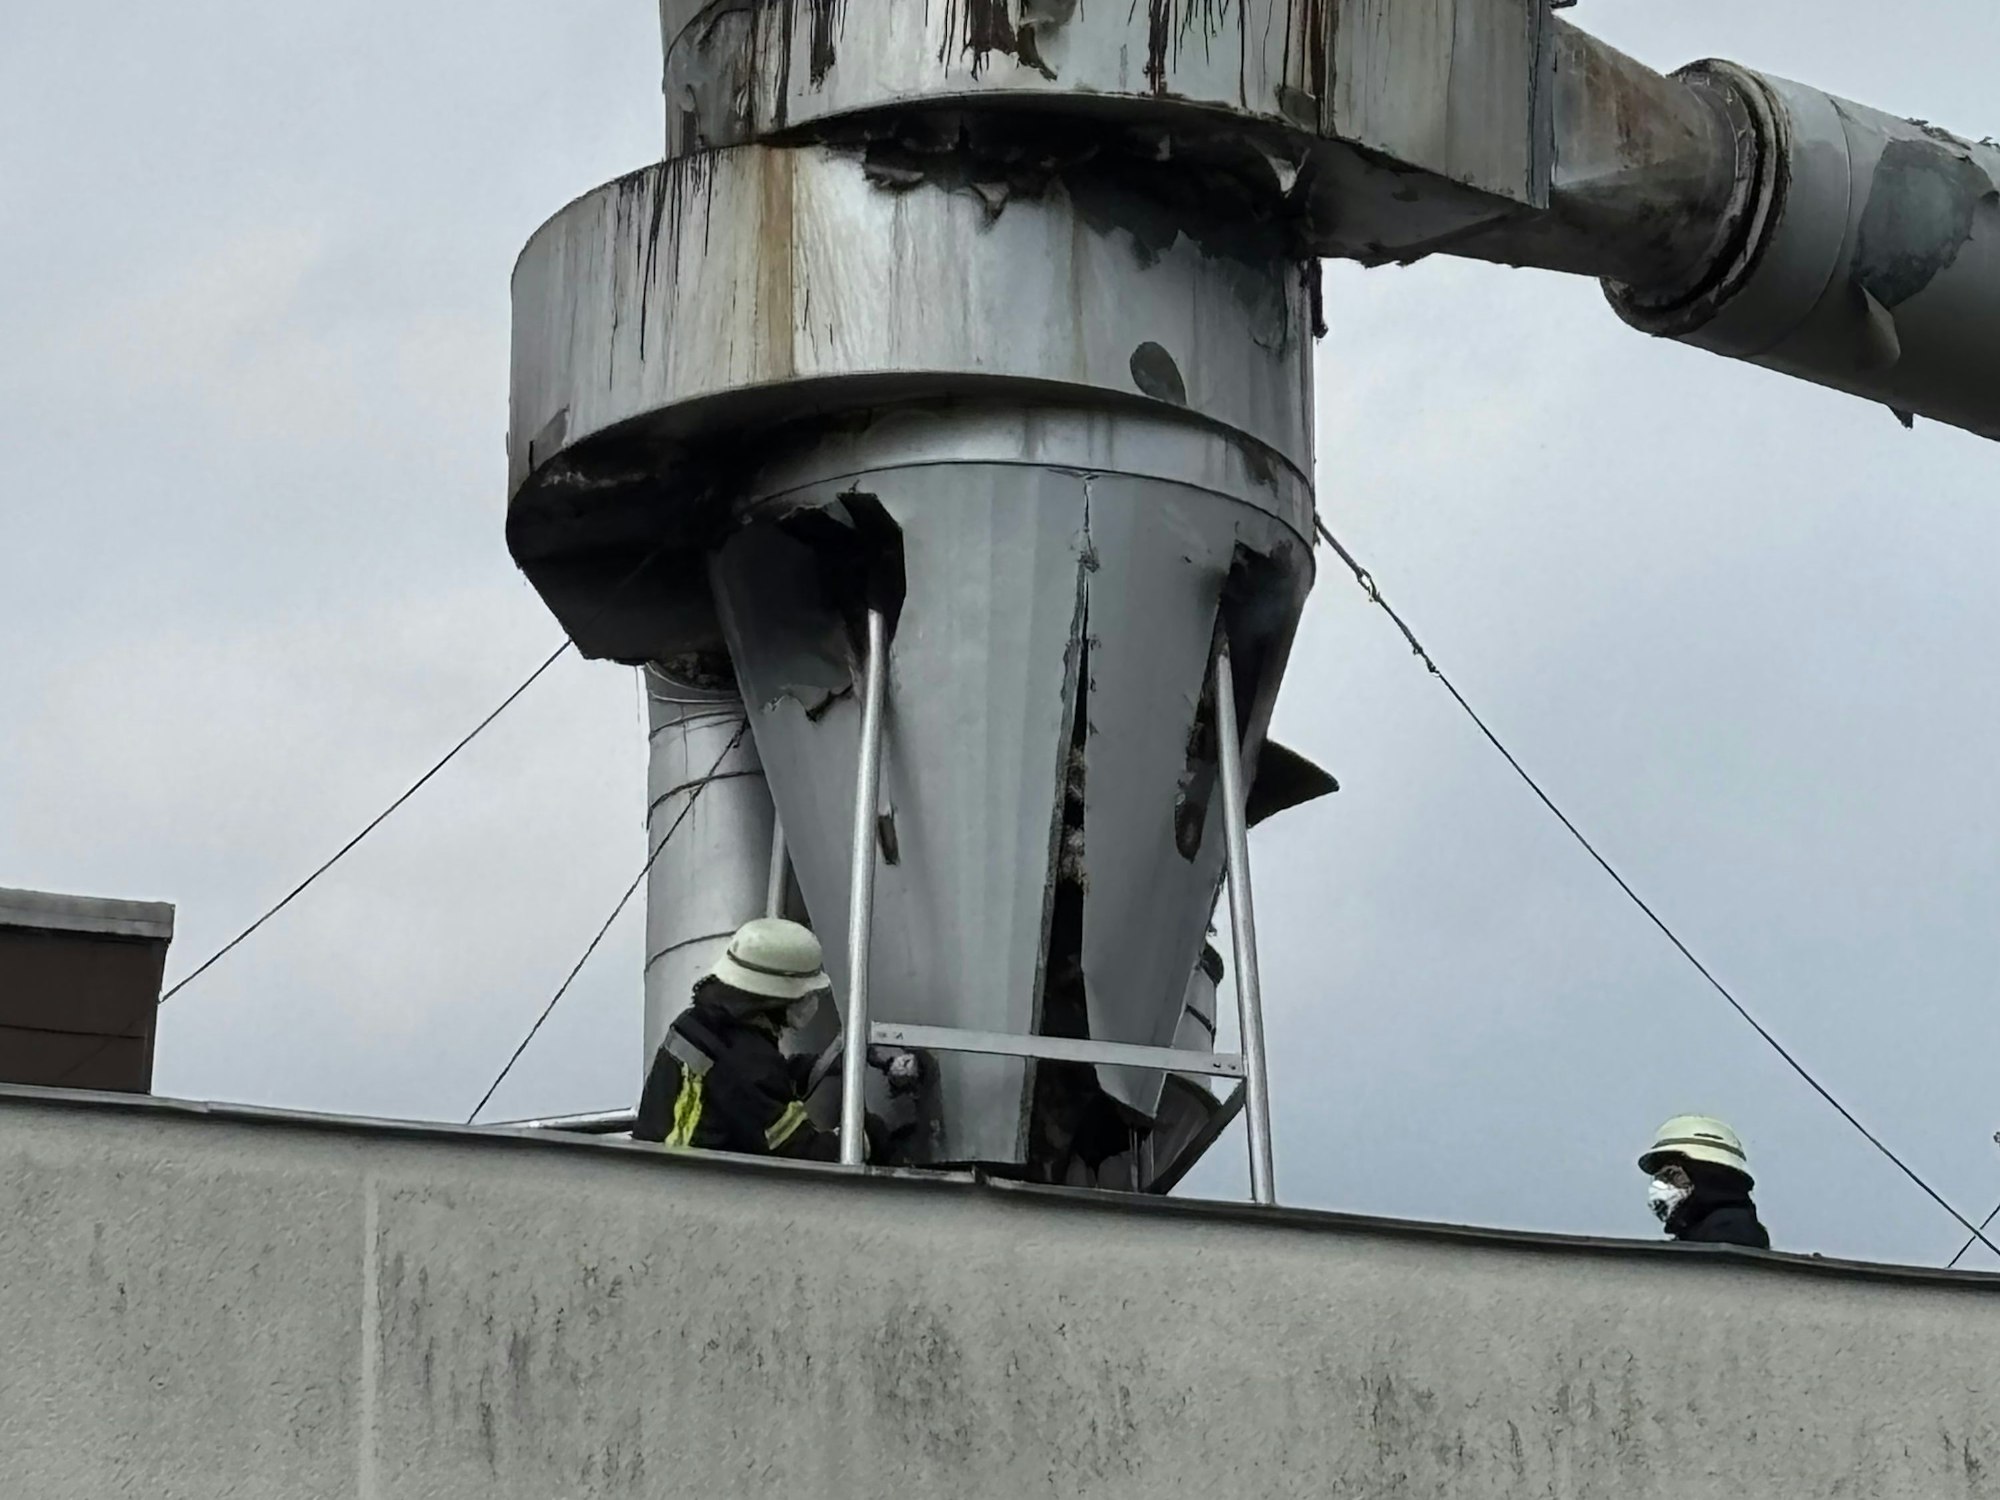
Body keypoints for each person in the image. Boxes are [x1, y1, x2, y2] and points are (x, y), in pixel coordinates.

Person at [634, 917, 863, 1161]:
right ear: (774, 997)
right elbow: (799, 1148)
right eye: (805, 995)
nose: (811, 1003)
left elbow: (750, 1088)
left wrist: (821, 1065)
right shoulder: (747, 1061)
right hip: (694, 1186)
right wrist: (867, 1138)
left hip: (664, 1170)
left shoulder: (702, 1024)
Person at [1639, 1114, 1770, 1249]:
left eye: (1672, 1174)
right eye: (1658, 1178)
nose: (1661, 1186)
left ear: (1707, 1176)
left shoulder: (1730, 1229)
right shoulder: (1699, 1230)